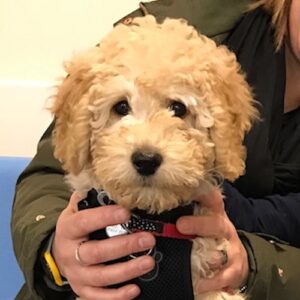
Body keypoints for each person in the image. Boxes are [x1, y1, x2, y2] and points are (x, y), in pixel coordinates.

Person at [11, 0, 300, 299]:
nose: (147, 146)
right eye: (121, 108)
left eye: (177, 108)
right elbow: (46, 177)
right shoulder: (178, 29)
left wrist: (256, 266)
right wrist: (55, 252)